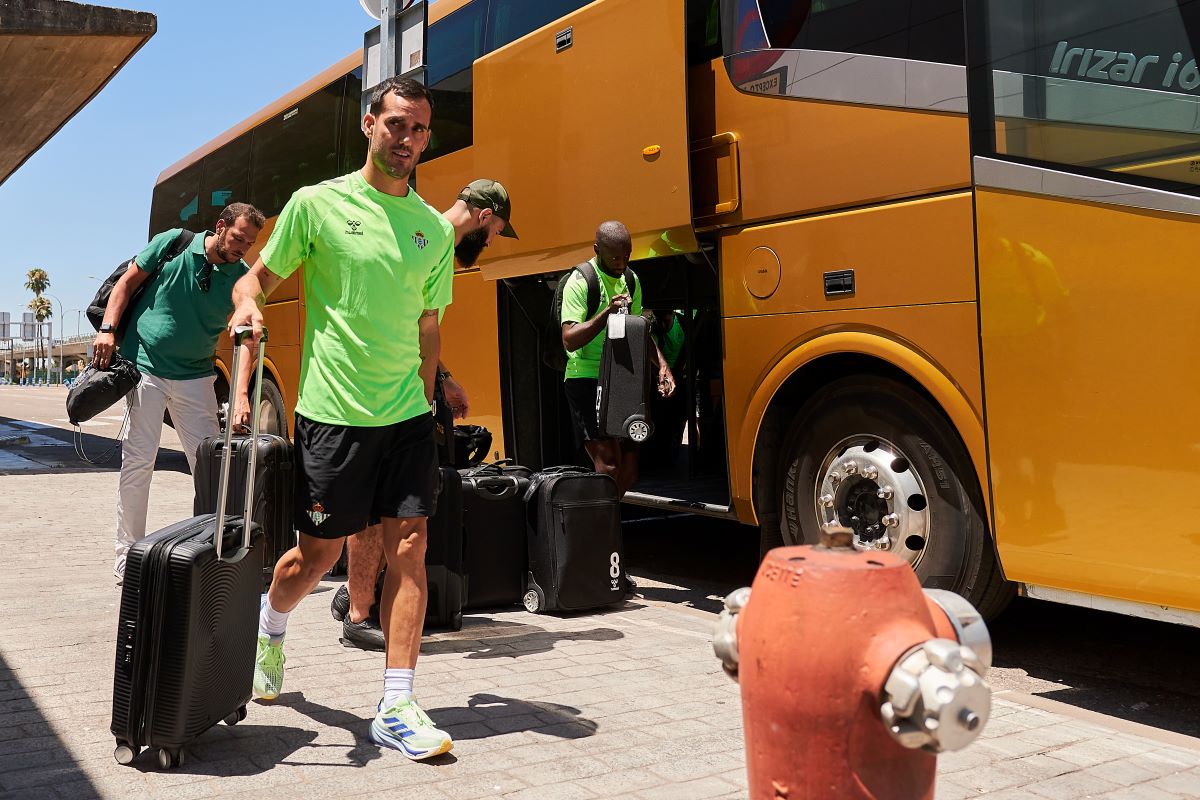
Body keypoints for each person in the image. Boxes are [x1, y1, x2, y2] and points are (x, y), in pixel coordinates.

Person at [229, 76, 456, 760]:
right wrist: (247, 306)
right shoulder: (316, 206)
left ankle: (396, 701)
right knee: (316, 555)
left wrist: (429, 392)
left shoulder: (431, 228)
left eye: (418, 130)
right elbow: (254, 279)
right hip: (333, 416)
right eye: (396, 126)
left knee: (410, 548)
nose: (407, 141)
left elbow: (427, 323)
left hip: (406, 418)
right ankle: (270, 623)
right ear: (368, 124)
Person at [331, 178, 518, 652]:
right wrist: (421, 390)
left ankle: (357, 595)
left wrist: (442, 379)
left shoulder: (437, 245)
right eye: (496, 229)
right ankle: (356, 613)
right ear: (482, 215)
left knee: (399, 509)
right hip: (385, 397)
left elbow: (420, 327)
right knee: (377, 509)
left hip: (409, 395)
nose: (493, 239)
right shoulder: (428, 236)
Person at [99, 202, 264, 582]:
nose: (243, 248)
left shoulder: (240, 279)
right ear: (221, 227)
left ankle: (215, 550)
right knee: (138, 462)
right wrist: (108, 329)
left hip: (195, 378)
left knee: (210, 468)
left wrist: (240, 396)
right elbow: (126, 282)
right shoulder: (175, 242)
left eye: (250, 244)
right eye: (238, 238)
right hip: (145, 368)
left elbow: (246, 339)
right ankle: (127, 557)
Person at [561, 221, 675, 496]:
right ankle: (604, 531)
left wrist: (662, 365)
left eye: (627, 255)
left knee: (629, 471)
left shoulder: (631, 281)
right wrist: (606, 314)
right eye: (614, 257)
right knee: (609, 467)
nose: (621, 262)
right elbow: (569, 337)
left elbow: (640, 330)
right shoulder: (580, 281)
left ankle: (605, 522)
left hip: (621, 378)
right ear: (597, 250)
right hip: (585, 378)